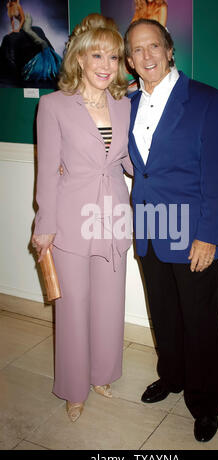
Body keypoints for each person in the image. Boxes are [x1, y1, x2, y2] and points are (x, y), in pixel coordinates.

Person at [124, 19, 218, 442]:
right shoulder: (129, 105)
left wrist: (211, 235)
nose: (146, 55)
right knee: (164, 313)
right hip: (150, 228)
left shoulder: (207, 100)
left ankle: (206, 404)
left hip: (193, 235)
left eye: (153, 46)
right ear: (130, 60)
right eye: (137, 50)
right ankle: (171, 376)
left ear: (170, 50)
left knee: (200, 320)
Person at [31, 13, 133, 423]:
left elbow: (127, 160)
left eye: (114, 56)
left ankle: (102, 374)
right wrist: (45, 226)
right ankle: (73, 388)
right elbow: (47, 173)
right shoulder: (53, 106)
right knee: (73, 307)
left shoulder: (124, 106)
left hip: (114, 217)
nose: (107, 65)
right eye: (98, 55)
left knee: (110, 302)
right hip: (71, 219)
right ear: (79, 58)